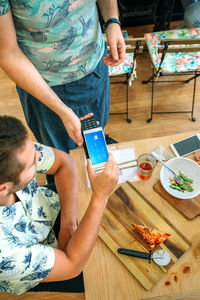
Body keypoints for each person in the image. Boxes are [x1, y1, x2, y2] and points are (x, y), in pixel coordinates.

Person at [0, 115, 119, 295]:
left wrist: (68, 224)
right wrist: (100, 196)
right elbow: (73, 266)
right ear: (3, 188)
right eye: (33, 162)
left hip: (51, 208)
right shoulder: (5, 255)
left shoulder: (12, 147)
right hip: (38, 265)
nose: (39, 155)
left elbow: (66, 163)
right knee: (110, 275)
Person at [0, 1, 125, 154]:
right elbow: (8, 54)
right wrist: (61, 110)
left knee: (96, 132)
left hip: (95, 65)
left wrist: (112, 21)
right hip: (42, 85)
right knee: (57, 150)